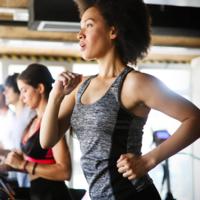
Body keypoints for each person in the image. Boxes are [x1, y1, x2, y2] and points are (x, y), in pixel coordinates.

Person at [40, 0, 200, 200]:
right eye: (80, 28)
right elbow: (47, 141)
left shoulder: (135, 83)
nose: (80, 34)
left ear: (112, 31)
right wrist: (55, 96)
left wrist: (149, 160)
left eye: (89, 25)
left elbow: (195, 119)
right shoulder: (79, 87)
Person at [5, 64, 72, 200]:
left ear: (40, 88)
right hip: (37, 193)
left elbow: (65, 171)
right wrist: (11, 163)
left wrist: (23, 165)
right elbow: (29, 157)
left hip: (53, 194)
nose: (22, 97)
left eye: (24, 91)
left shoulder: (51, 122)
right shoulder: (34, 120)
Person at [3, 73, 36, 189]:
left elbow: (30, 150)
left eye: (7, 90)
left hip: (33, 179)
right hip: (21, 177)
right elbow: (18, 149)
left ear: (17, 91)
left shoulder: (31, 115)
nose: (4, 93)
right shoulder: (15, 117)